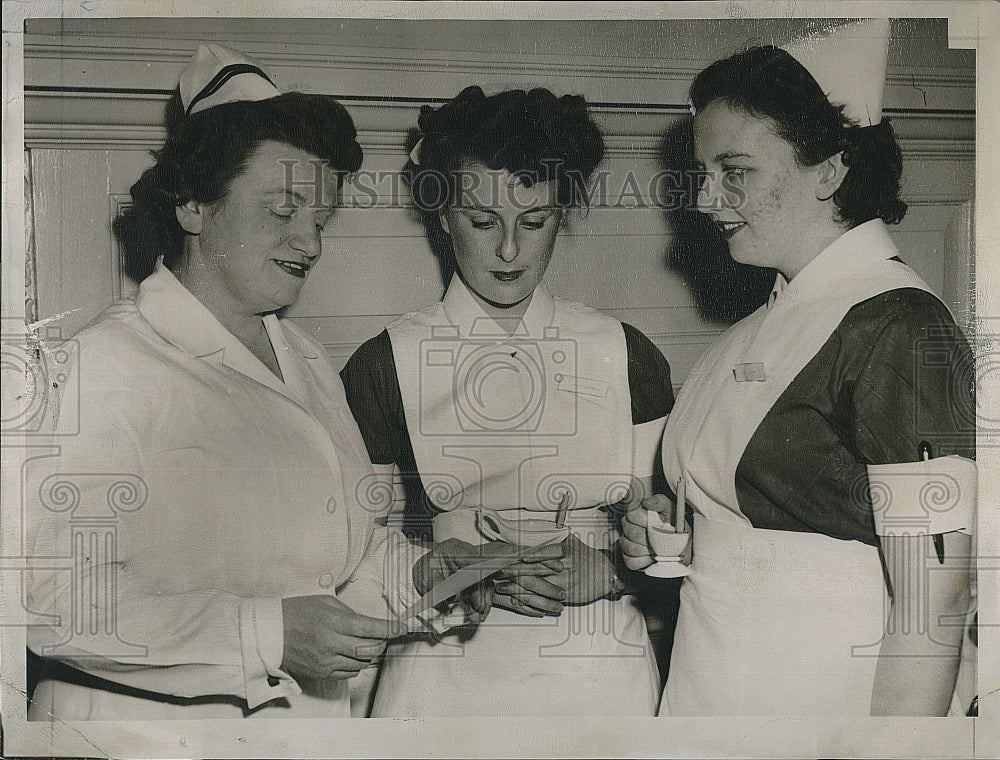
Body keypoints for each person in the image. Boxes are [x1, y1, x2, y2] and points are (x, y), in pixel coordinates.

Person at [24, 44, 558, 721]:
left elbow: (345, 548)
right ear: (192, 202)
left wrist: (422, 571)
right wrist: (265, 634)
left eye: (319, 219)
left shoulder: (303, 358)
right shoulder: (102, 366)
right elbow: (45, 595)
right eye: (282, 211)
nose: (310, 242)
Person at [621, 20, 976, 716]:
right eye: (703, 174)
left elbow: (935, 606)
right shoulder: (762, 323)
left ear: (831, 168)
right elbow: (774, 516)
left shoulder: (898, 327)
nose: (704, 201)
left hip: (825, 715)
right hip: (712, 699)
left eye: (735, 173)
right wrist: (671, 533)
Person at [340, 85, 675, 717]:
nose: (509, 252)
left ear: (562, 214)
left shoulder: (626, 354)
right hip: (444, 669)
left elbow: (671, 528)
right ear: (444, 216)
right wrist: (431, 568)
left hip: (595, 670)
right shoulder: (384, 364)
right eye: (483, 221)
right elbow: (353, 552)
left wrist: (609, 572)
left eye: (535, 221)